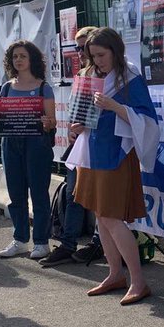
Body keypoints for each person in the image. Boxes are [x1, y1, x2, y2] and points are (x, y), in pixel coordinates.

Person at [64, 27, 159, 305]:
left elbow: (149, 122)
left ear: (116, 51)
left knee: (110, 217)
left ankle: (138, 281)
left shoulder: (130, 79)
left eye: (101, 55)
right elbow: (79, 113)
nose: (97, 61)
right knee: (100, 217)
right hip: (91, 153)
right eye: (92, 56)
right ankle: (115, 274)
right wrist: (75, 126)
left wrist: (114, 107)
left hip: (116, 154)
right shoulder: (87, 75)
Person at [41, 26, 105, 266]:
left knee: (99, 197)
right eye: (77, 47)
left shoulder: (107, 75)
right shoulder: (83, 74)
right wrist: (73, 130)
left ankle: (98, 243)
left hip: (99, 145)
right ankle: (68, 244)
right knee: (72, 193)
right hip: (79, 144)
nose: (79, 52)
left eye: (82, 47)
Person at [0, 39, 56, 260]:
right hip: (11, 142)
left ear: (32, 59)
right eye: (15, 57)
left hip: (37, 143)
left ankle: (41, 242)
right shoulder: (7, 87)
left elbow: (52, 122)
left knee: (39, 193)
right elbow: (2, 113)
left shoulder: (43, 87)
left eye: (22, 56)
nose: (18, 60)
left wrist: (47, 122)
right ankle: (20, 240)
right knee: (16, 194)